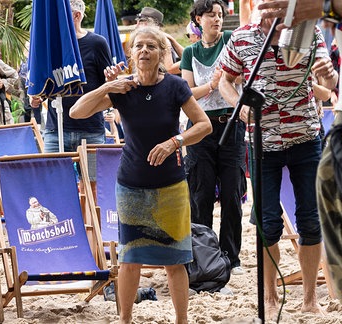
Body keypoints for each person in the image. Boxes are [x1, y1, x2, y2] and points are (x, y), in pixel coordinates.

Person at [70, 26, 212, 324]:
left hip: (171, 185)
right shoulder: (123, 90)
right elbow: (76, 113)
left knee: (176, 260)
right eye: (139, 46)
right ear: (131, 54)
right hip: (131, 184)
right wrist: (107, 87)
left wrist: (175, 141)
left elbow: (203, 125)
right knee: (129, 260)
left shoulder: (174, 87)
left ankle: (182, 320)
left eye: (151, 46)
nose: (144, 51)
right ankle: (125, 320)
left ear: (162, 53)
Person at [218, 1, 337, 318]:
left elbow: (328, 83)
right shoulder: (242, 37)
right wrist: (239, 107)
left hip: (306, 140)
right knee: (267, 225)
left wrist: (329, 76)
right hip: (262, 143)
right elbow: (224, 80)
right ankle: (269, 296)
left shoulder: (307, 33)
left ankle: (310, 298)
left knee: (310, 222)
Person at [180, 0, 247, 276]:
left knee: (232, 191)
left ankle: (231, 256)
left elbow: (243, 71)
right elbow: (186, 92)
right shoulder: (189, 52)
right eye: (211, 15)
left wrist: (226, 81)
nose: (217, 20)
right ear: (198, 19)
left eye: (220, 15)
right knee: (201, 193)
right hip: (200, 126)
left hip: (230, 123)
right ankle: (204, 255)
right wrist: (210, 85)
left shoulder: (231, 40)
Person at [39, 0, 115, 153]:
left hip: (91, 130)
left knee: (93, 177)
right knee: (55, 177)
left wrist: (112, 79)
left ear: (76, 16)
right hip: (56, 129)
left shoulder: (97, 43)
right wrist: (37, 97)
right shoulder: (51, 46)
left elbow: (107, 84)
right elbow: (43, 84)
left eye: (59, 16)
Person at [136, 7, 185, 75]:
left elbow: (170, 69)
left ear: (152, 24)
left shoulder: (162, 39)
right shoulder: (158, 38)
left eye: (141, 22)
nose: (137, 25)